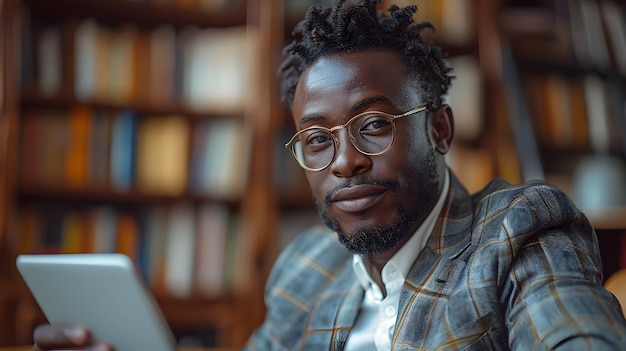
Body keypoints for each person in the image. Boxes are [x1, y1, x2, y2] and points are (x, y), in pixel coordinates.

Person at [33, 0, 626, 350]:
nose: (345, 162)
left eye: (373, 125)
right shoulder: (305, 269)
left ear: (440, 129)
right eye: (317, 140)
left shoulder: (517, 232)